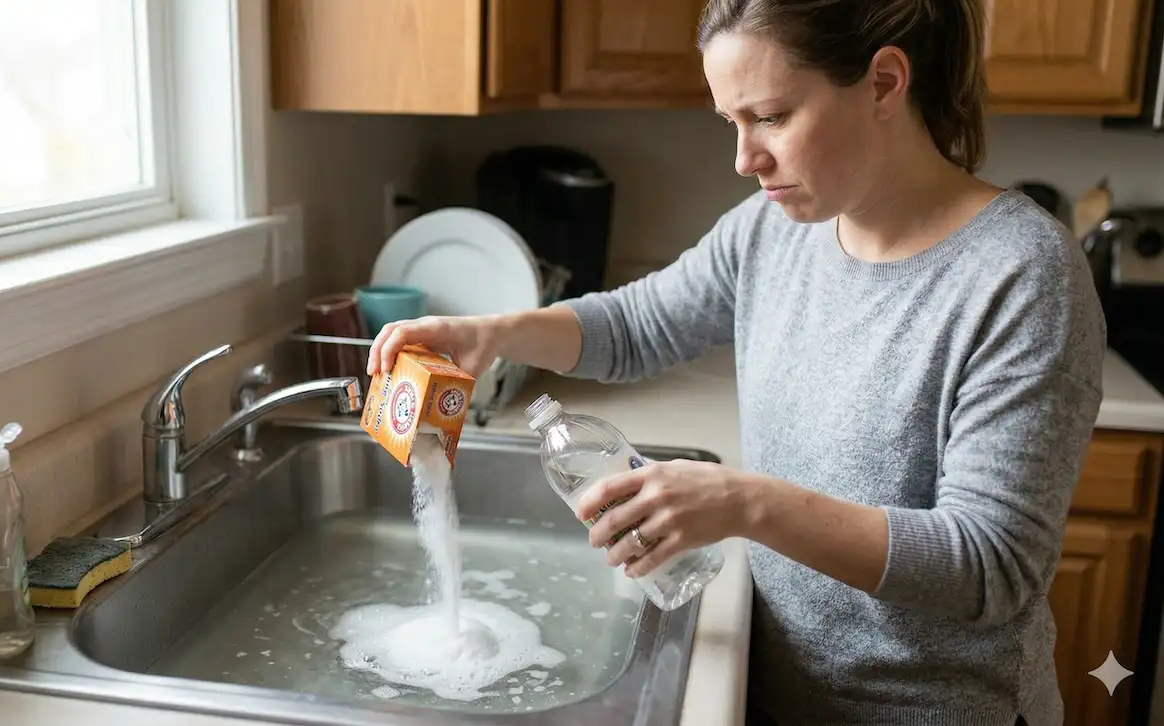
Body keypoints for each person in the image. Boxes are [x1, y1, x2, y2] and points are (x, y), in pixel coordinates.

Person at [365, 0, 1106, 722]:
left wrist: (743, 504)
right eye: (732, 121)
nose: (745, 159)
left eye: (772, 117)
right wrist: (492, 332)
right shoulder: (771, 231)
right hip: (781, 689)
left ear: (884, 82)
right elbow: (638, 324)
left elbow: (990, 564)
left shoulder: (1020, 272)